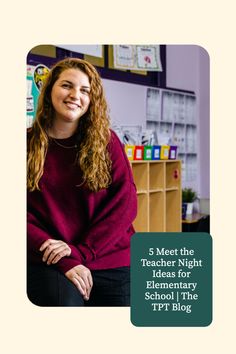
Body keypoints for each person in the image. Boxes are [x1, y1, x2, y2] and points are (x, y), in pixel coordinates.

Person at [27, 57, 138, 306]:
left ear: (91, 99)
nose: (75, 95)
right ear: (50, 90)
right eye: (67, 85)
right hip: (51, 259)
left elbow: (125, 205)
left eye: (85, 90)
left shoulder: (107, 142)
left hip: (109, 255)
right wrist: (65, 259)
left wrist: (83, 252)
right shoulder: (25, 144)